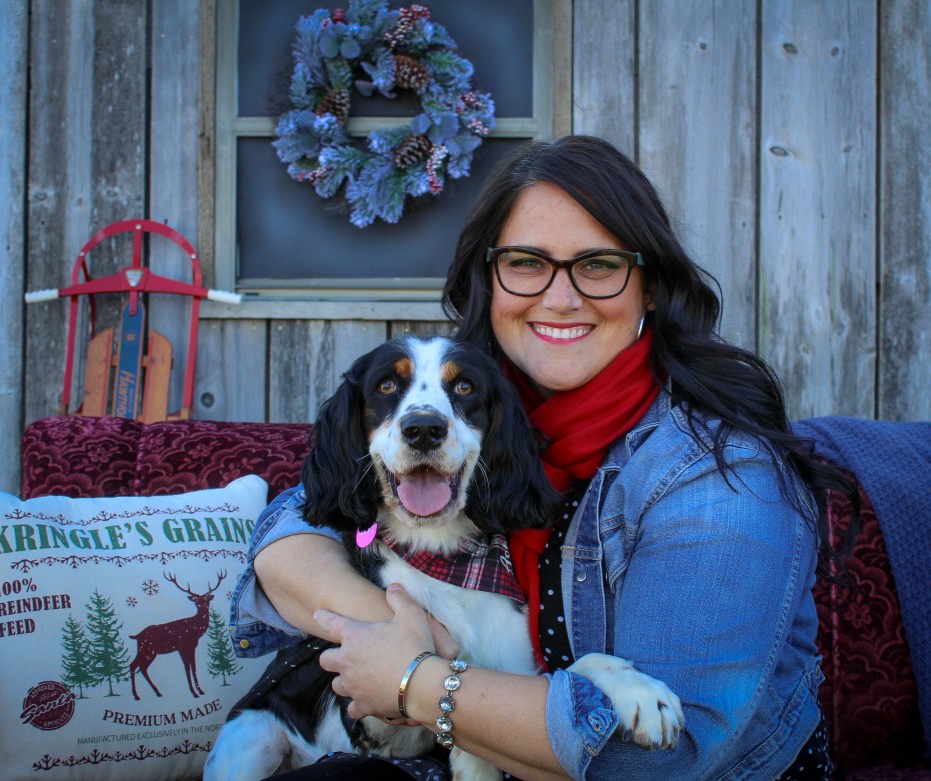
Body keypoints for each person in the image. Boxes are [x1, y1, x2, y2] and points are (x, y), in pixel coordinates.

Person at [230, 135, 856, 780]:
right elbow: (296, 530)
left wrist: (418, 680)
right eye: (527, 262)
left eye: (599, 264)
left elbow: (656, 761)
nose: (560, 297)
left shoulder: (719, 478)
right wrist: (400, 631)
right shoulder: (475, 408)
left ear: (650, 289)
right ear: (489, 281)